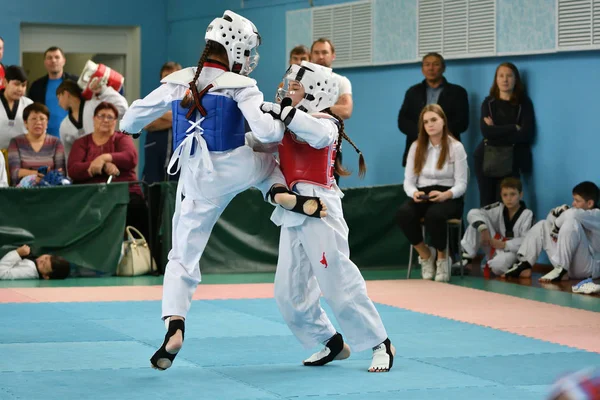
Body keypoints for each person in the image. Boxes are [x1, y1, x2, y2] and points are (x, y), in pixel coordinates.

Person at [119, 10, 328, 371]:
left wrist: (133, 128)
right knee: (267, 158)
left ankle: (175, 324)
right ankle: (277, 191)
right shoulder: (241, 84)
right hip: (237, 164)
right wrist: (277, 120)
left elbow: (131, 116)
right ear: (236, 49)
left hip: (197, 176)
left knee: (183, 254)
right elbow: (265, 133)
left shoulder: (177, 80)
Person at [259, 60, 395, 372]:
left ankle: (381, 342)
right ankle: (330, 341)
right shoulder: (288, 123)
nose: (287, 93)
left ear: (315, 95)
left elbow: (316, 135)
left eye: (295, 88)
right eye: (289, 87)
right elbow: (260, 143)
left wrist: (280, 111)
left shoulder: (326, 124)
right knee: (288, 291)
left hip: (321, 210)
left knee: (338, 283)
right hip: (293, 210)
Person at [396, 104, 468, 282]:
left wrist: (446, 195)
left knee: (435, 215)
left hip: (449, 194)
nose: (430, 125)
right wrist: (414, 193)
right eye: (426, 121)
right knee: (403, 213)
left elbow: (462, 184)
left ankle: (443, 259)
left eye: (434, 120)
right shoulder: (416, 146)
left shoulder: (456, 147)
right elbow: (409, 180)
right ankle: (427, 255)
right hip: (423, 194)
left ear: (443, 121)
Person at [68, 102, 147, 239]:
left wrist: (105, 157)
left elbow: (131, 157)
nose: (105, 120)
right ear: (94, 118)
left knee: (137, 208)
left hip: (124, 193)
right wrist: (102, 166)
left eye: (110, 117)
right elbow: (74, 169)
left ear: (115, 121)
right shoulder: (82, 143)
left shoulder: (121, 138)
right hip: (90, 195)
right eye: (101, 116)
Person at [504, 181, 600, 283]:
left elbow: (571, 215)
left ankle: (561, 269)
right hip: (569, 266)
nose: (573, 203)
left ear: (590, 203)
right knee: (543, 225)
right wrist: (556, 213)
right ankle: (525, 265)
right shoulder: (574, 213)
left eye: (577, 200)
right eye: (573, 199)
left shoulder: (596, 215)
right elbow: (550, 220)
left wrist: (557, 226)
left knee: (571, 222)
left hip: (588, 268)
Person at [474, 62, 535, 206]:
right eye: (501, 76)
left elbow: (526, 134)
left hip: (512, 160)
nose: (505, 79)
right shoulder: (488, 103)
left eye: (509, 76)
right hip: (486, 159)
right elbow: (486, 132)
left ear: (516, 79)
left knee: (506, 205)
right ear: (496, 79)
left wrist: (496, 130)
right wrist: (513, 127)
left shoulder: (523, 103)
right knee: (487, 204)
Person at [397, 52, 469, 167]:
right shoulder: (412, 92)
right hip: (418, 148)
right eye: (427, 64)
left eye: (435, 64)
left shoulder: (458, 92)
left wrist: (437, 134)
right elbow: (402, 121)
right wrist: (423, 133)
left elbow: (462, 123)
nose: (431, 68)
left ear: (443, 68)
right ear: (422, 69)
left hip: (447, 148)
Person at [457, 177, 533, 276]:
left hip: (512, 252)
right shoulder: (498, 208)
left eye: (513, 194)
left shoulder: (527, 214)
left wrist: (504, 244)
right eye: (505, 195)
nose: (509, 198)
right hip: (494, 244)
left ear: (520, 195)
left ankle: (517, 268)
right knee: (477, 222)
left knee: (497, 266)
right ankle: (466, 259)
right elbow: (473, 213)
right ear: (501, 196)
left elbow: (526, 241)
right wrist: (483, 229)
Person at [56, 79, 128, 159]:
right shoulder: (64, 125)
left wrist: (103, 91)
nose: (58, 104)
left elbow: (123, 109)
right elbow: (68, 156)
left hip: (108, 160)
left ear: (66, 94)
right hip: (83, 168)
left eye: (59, 98)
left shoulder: (95, 105)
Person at [142, 61, 182, 184]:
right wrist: (177, 118)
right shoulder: (151, 99)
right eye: (166, 77)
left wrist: (156, 112)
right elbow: (146, 123)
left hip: (179, 159)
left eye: (173, 76)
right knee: (154, 195)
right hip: (155, 157)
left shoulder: (187, 99)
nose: (169, 81)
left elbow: (189, 120)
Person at [7, 102, 66, 186]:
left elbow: (61, 171)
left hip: (51, 188)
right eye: (33, 119)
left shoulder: (56, 142)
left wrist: (43, 178)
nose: (38, 122)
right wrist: (37, 174)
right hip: (24, 190)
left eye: (42, 119)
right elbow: (15, 173)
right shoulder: (16, 142)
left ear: (47, 123)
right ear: (25, 122)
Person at [27, 47, 79, 137]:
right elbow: (30, 112)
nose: (53, 60)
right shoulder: (36, 86)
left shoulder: (75, 83)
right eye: (49, 58)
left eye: (57, 57)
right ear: (45, 62)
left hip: (73, 136)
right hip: (44, 139)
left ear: (64, 61)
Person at [0, 66, 33, 149]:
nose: (20, 89)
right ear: (5, 82)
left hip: (21, 155)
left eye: (23, 85)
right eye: (16, 84)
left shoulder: (29, 104)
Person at [0, 244, 70, 280]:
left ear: (45, 276)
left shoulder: (29, 270)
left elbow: (2, 273)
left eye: (43, 264)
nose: (42, 260)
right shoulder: (34, 263)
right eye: (46, 257)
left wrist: (17, 253)